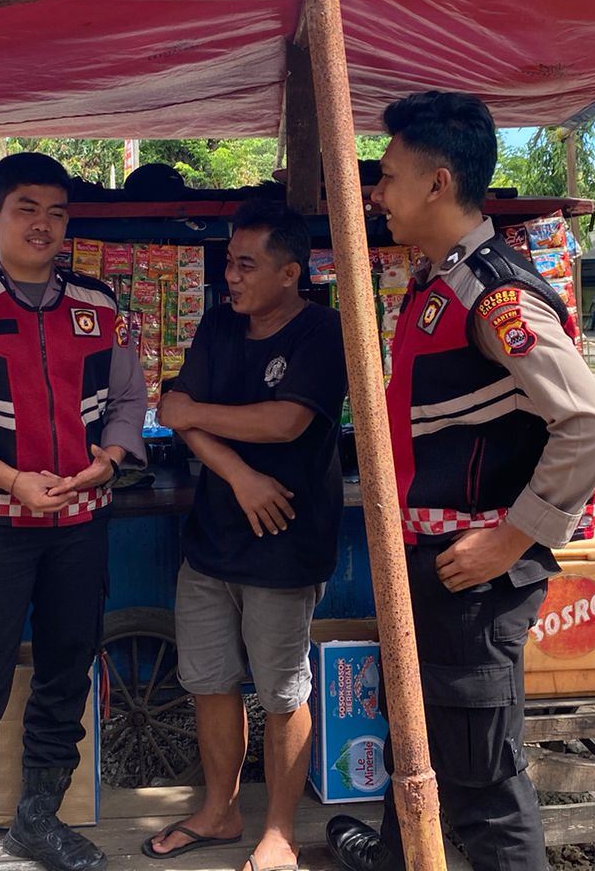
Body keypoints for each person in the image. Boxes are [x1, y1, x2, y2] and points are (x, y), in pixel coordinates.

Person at [325, 91, 595, 871]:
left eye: (388, 177)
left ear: (437, 183)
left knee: (483, 779)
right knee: (421, 740)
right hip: (438, 566)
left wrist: (514, 537)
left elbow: (589, 423)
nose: (376, 194)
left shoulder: (494, 295)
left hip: (476, 576)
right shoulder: (438, 283)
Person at [0, 152, 147, 871]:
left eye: (56, 212)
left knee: (67, 672)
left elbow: (129, 400)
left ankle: (38, 821)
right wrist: (13, 481)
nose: (43, 225)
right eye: (26, 209)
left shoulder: (100, 305)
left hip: (81, 524)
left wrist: (110, 459)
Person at [143, 200, 347, 871]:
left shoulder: (323, 331)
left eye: (246, 265)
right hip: (213, 538)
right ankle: (220, 811)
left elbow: (285, 423)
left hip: (286, 542)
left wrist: (195, 414)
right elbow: (172, 412)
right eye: (229, 263)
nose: (230, 277)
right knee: (210, 682)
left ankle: (280, 832)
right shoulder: (218, 324)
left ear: (291, 273)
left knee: (284, 693)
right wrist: (239, 477)